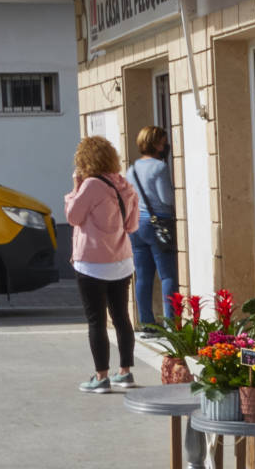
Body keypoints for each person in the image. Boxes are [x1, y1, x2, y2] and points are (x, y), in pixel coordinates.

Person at [64, 135, 141, 393]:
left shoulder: (90, 186)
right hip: (121, 260)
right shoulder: (124, 185)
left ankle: (101, 377)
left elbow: (73, 217)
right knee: (121, 316)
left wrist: (75, 187)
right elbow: (131, 226)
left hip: (92, 264)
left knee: (96, 320)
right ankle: (126, 372)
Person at [126, 125, 179, 323]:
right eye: (164, 142)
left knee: (143, 277)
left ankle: (146, 322)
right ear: (157, 144)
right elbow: (166, 199)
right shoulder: (159, 167)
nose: (166, 146)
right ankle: (170, 324)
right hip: (159, 224)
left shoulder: (131, 169)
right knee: (167, 276)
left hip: (137, 224)